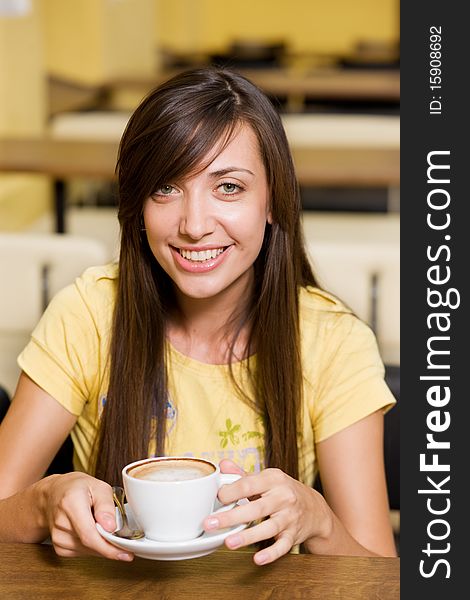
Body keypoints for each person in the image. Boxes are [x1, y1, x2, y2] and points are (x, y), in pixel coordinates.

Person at [0, 67, 397, 564]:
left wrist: (318, 521)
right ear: (137, 206)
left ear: (272, 201)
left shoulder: (331, 339)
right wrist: (43, 504)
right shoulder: (90, 312)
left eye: (228, 187)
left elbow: (379, 572)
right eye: (166, 188)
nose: (193, 225)